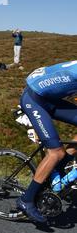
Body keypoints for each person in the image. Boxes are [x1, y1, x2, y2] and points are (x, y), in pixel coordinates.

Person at [17, 60, 77, 223]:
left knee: (59, 156)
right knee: (55, 152)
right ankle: (26, 200)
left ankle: (58, 170)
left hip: (50, 99)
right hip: (34, 100)